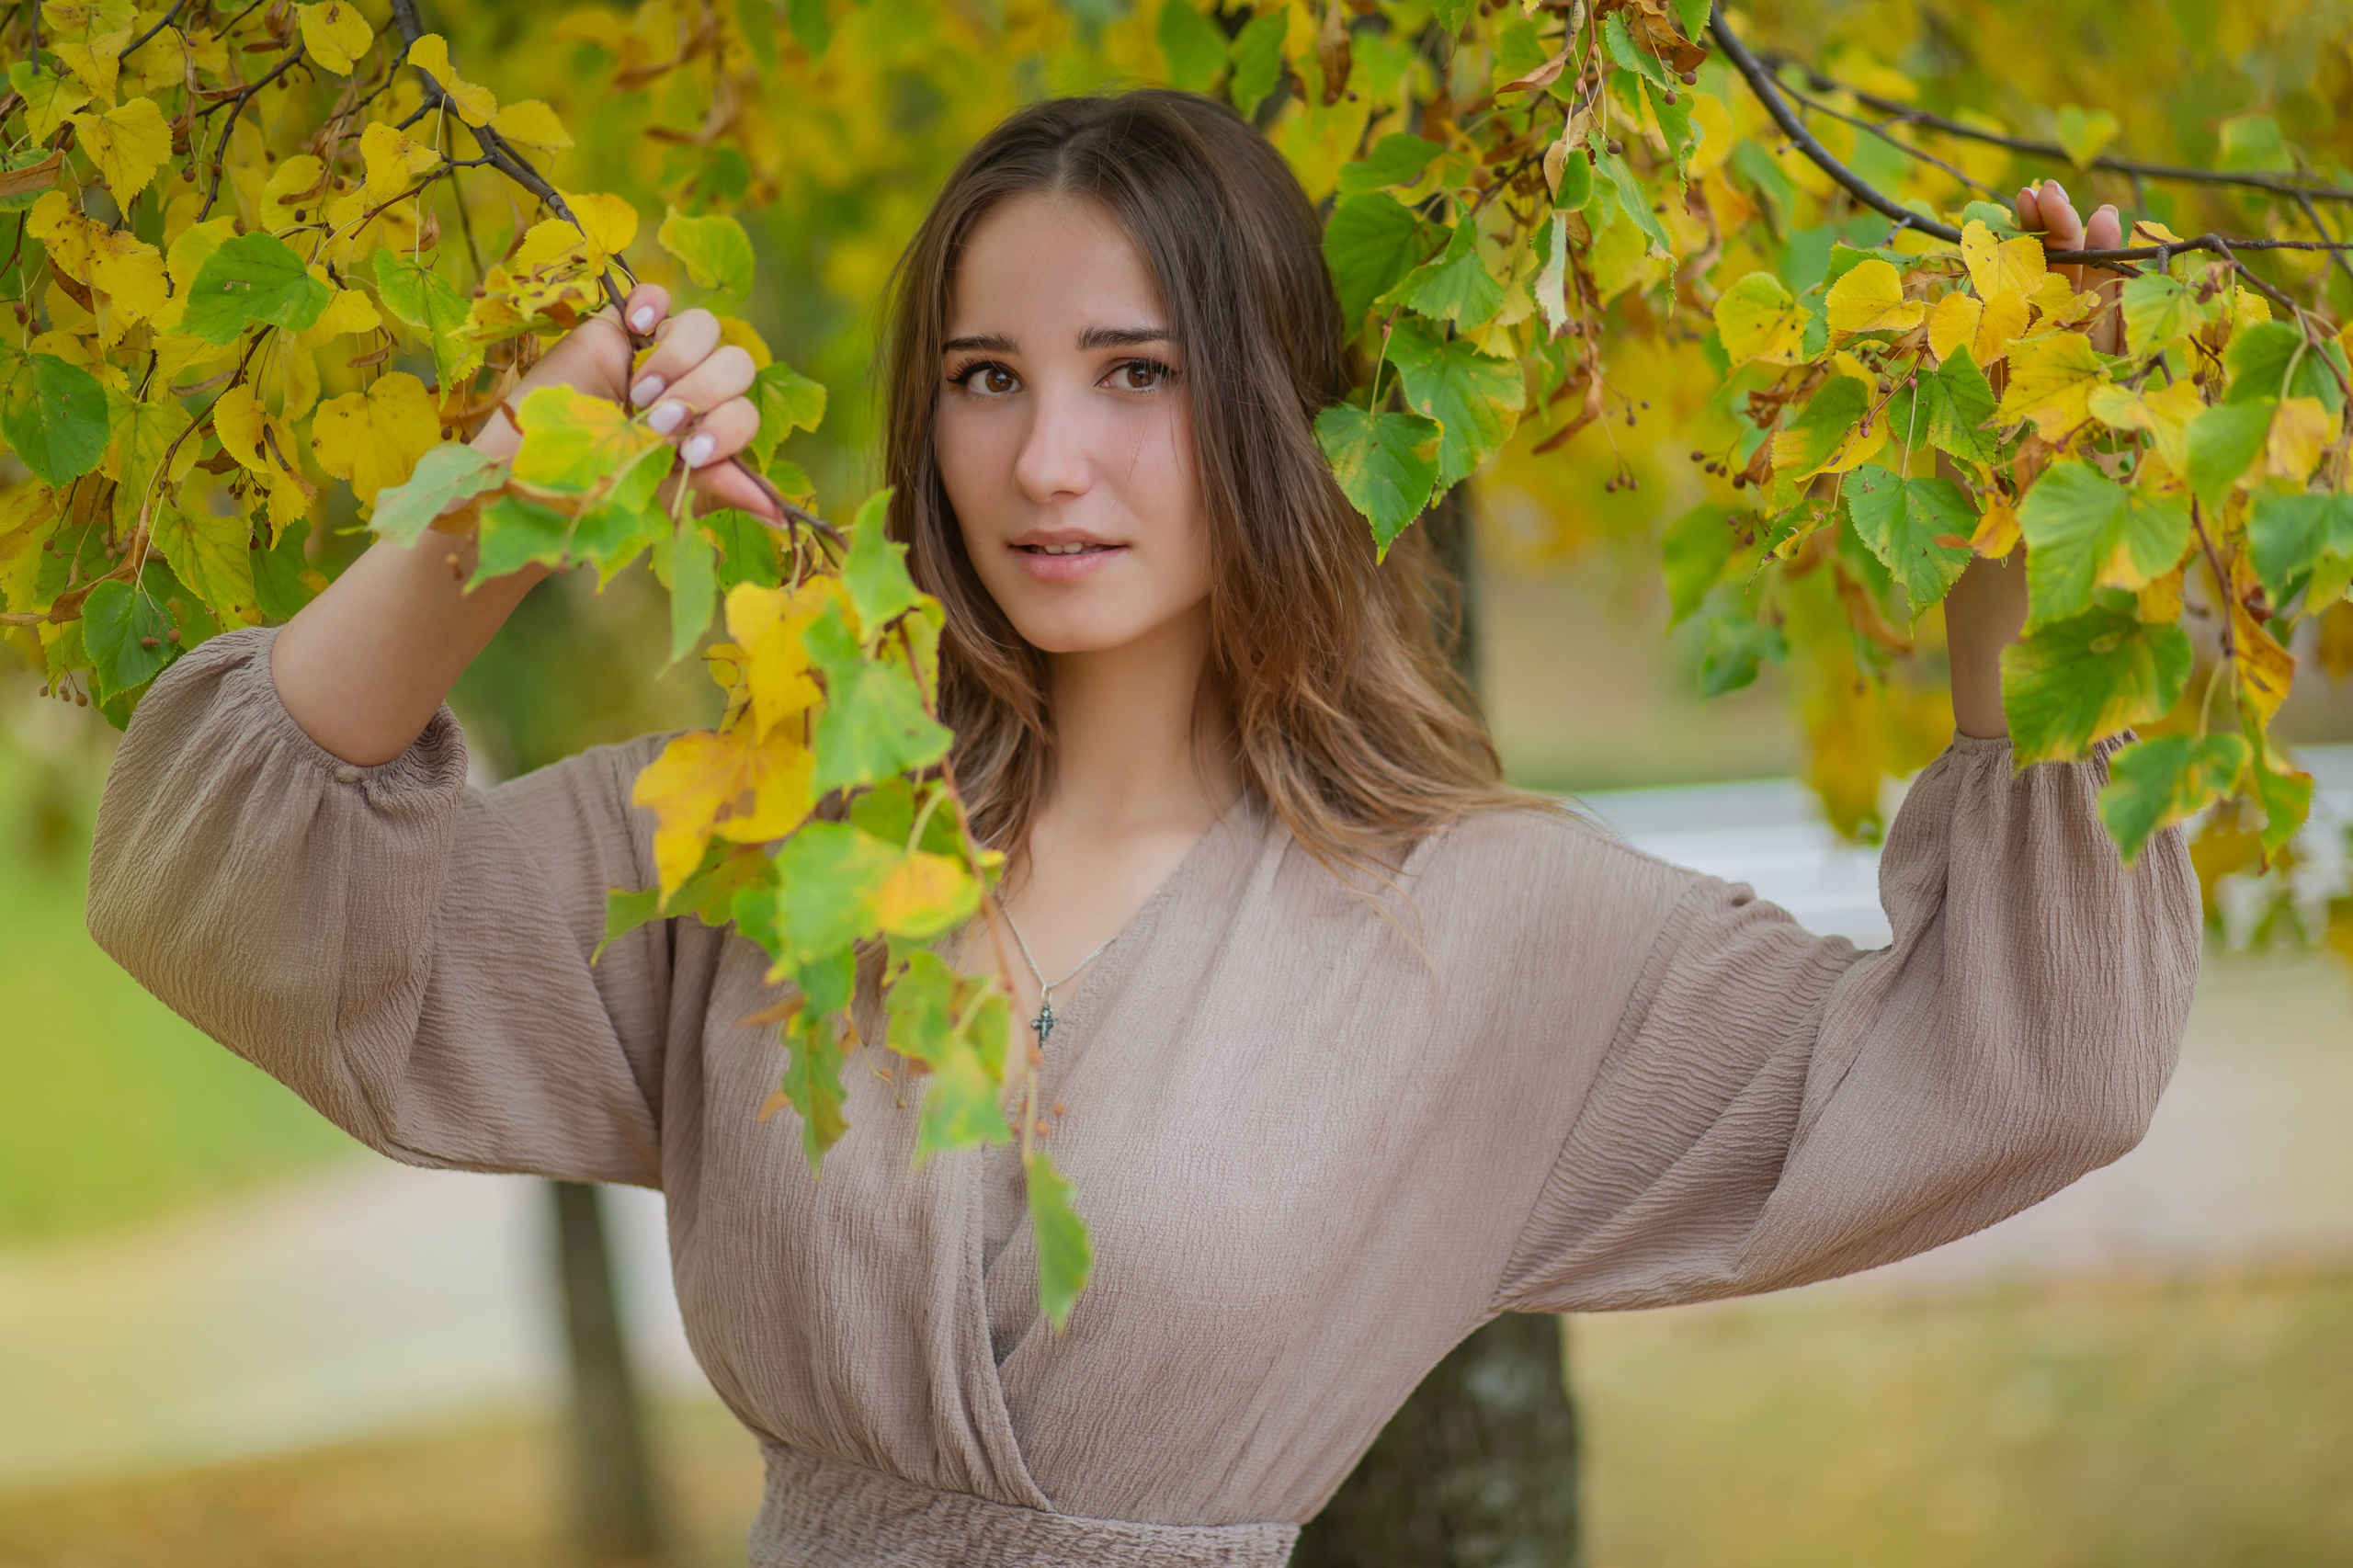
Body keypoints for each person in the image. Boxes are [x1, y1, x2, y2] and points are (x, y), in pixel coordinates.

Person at [86, 90, 2195, 1565]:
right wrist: (512, 496)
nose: (1045, 459)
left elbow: (2033, 1057)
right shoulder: (798, 831)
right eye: (985, 378)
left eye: (1134, 372)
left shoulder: (1485, 929)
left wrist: (2032, 524)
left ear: (1267, 407)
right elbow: (223, 898)